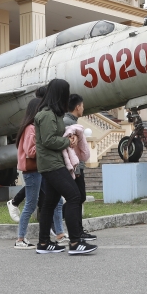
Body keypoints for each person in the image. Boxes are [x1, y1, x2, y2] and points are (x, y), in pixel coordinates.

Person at [34, 79, 97, 254]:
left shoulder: (52, 113)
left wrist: (70, 138)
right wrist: (67, 141)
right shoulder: (46, 115)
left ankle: (44, 243)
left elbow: (55, 136)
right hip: (51, 163)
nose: (67, 97)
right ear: (59, 94)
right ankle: (76, 243)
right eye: (66, 93)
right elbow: (48, 140)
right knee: (74, 196)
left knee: (50, 202)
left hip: (52, 162)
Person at [13, 98, 67, 249]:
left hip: (41, 170)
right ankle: (20, 239)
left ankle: (60, 234)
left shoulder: (32, 127)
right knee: (30, 204)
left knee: (56, 201)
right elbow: (31, 151)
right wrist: (46, 146)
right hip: (33, 171)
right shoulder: (30, 128)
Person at [64, 94, 96, 242]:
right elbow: (70, 150)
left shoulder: (73, 122)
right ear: (77, 107)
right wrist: (76, 170)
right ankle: (75, 231)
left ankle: (78, 230)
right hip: (74, 168)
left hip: (77, 167)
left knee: (79, 198)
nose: (83, 108)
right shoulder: (68, 123)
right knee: (77, 198)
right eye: (82, 106)